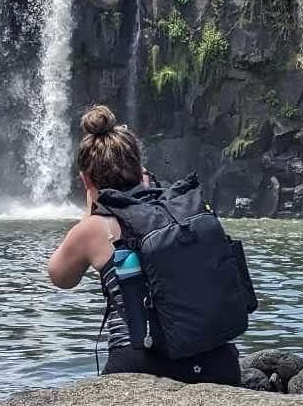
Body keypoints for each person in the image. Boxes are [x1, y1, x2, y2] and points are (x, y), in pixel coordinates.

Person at [47, 105, 242, 384]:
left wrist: (91, 208)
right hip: (218, 361)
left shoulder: (91, 229)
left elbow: (60, 277)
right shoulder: (181, 209)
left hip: (142, 366)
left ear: (86, 178)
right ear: (141, 170)